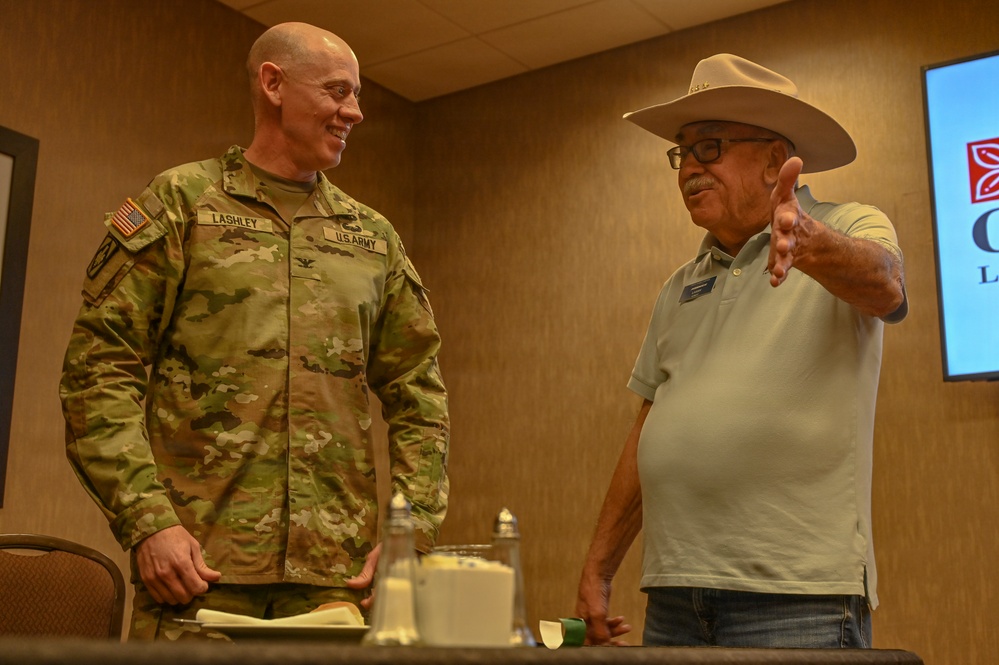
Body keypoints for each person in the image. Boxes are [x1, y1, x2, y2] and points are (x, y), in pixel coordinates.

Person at [59, 22, 449, 640]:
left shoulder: (372, 237)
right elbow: (98, 372)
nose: (356, 111)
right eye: (338, 91)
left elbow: (419, 395)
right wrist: (147, 520)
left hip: (336, 582)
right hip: (198, 571)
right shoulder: (183, 203)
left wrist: (413, 531)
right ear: (273, 84)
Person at [575, 53, 907, 649]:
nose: (688, 170)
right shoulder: (678, 286)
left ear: (775, 160)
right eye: (683, 152)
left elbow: (887, 285)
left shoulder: (847, 223)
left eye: (710, 147)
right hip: (674, 597)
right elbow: (649, 430)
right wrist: (599, 569)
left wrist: (810, 243)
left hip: (797, 600)